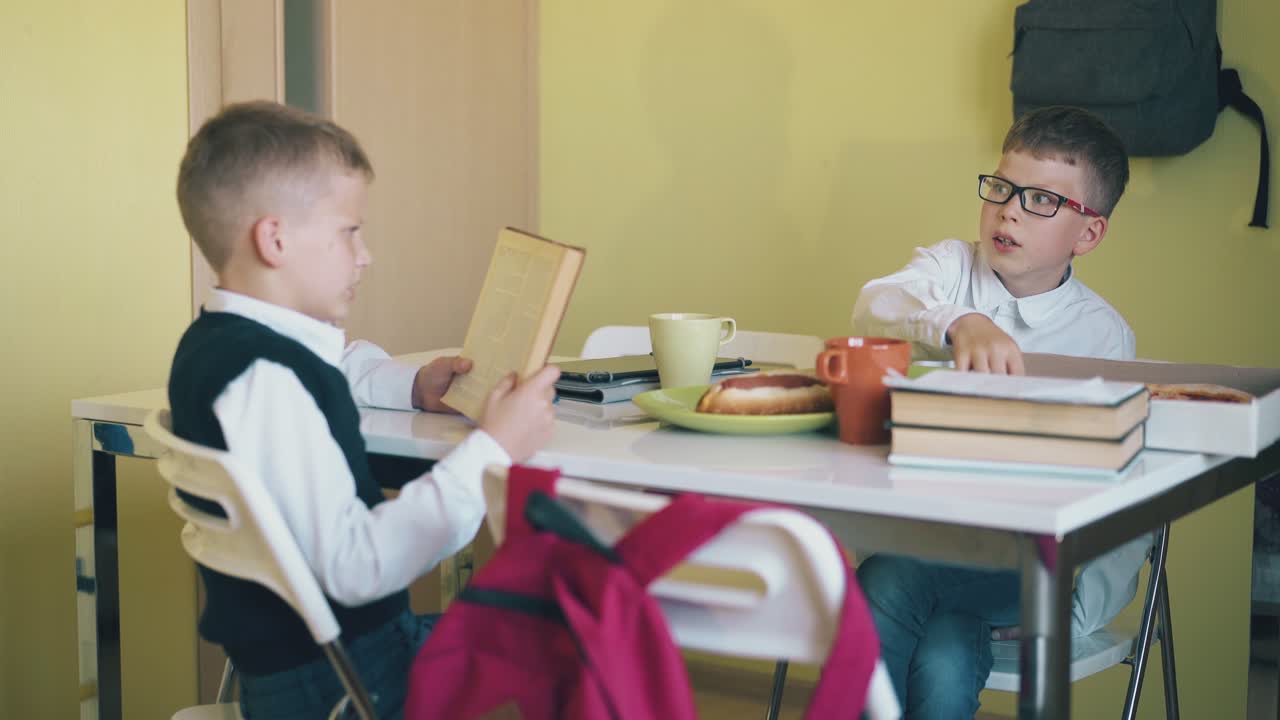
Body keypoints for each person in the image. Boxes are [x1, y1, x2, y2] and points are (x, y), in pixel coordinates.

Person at [169, 100, 560, 719]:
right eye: (349, 231)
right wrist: (494, 451)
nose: (365, 254)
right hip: (348, 685)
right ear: (274, 239)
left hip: (303, 672)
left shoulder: (224, 346)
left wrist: (415, 386)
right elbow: (357, 567)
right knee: (571, 632)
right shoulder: (268, 378)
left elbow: (332, 368)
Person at [851, 105, 1150, 718]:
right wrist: (960, 320)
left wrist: (1071, 608)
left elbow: (1125, 488)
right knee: (943, 652)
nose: (1010, 209)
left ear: (1087, 233)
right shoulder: (950, 269)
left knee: (888, 578)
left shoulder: (1102, 337)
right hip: (925, 536)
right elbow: (873, 304)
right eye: (1002, 188)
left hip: (1020, 568)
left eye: (1041, 200)